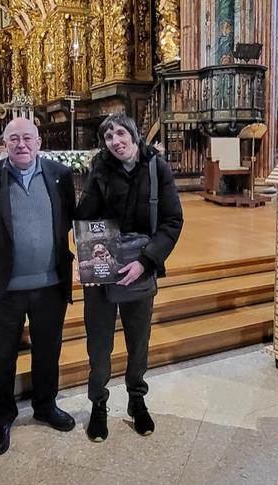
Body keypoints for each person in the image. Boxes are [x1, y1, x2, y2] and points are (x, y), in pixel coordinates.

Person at [0, 117, 77, 456]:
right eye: (14, 139)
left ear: (39, 142)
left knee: (47, 351)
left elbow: (67, 219)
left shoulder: (60, 175)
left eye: (28, 138)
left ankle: (45, 405)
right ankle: (2, 418)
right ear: (4, 143)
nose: (21, 144)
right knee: (1, 357)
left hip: (50, 285)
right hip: (3, 288)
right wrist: (3, 253)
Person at [75, 113, 183, 442]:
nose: (116, 141)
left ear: (134, 136)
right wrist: (95, 180)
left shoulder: (156, 168)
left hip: (140, 266)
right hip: (103, 267)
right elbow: (84, 218)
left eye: (121, 133)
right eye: (108, 137)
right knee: (99, 344)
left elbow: (172, 220)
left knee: (138, 342)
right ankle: (98, 404)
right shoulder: (101, 169)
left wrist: (146, 262)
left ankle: (137, 399)